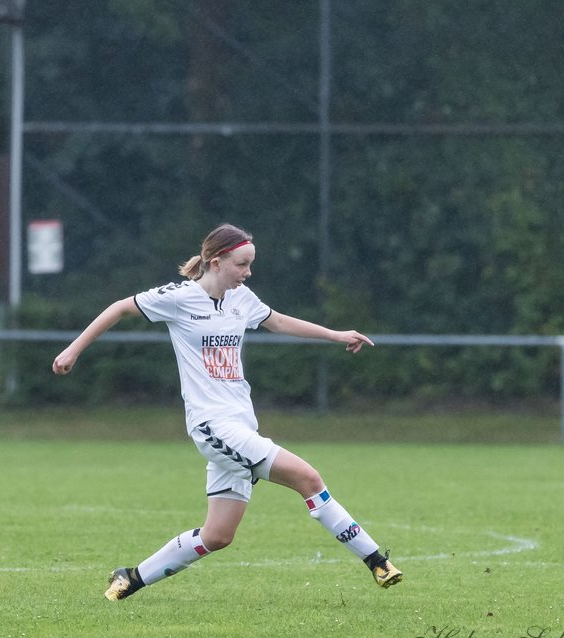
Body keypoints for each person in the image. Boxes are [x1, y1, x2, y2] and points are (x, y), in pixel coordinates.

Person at [52, 223, 402, 601]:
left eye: (249, 264)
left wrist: (336, 335)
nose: (248, 272)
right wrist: (73, 349)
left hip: (241, 423)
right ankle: (376, 561)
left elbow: (280, 321)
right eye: (242, 264)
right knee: (309, 479)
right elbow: (120, 308)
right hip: (213, 427)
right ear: (215, 262)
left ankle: (131, 578)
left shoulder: (241, 298)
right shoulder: (179, 297)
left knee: (218, 536)